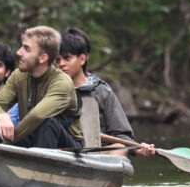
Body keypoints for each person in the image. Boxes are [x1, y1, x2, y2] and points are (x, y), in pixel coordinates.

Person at [56, 27, 154, 157]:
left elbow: (123, 135)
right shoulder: (49, 89)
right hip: (62, 151)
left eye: (67, 58)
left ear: (82, 59)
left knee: (119, 147)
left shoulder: (101, 92)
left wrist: (137, 149)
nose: (61, 64)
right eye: (57, 60)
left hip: (96, 153)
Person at [0, 26, 82, 149]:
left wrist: (7, 142)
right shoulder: (19, 75)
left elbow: (37, 116)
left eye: (26, 49)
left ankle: (39, 168)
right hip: (30, 137)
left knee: (48, 123)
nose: (19, 52)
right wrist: (2, 115)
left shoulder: (62, 82)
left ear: (43, 57)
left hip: (67, 146)